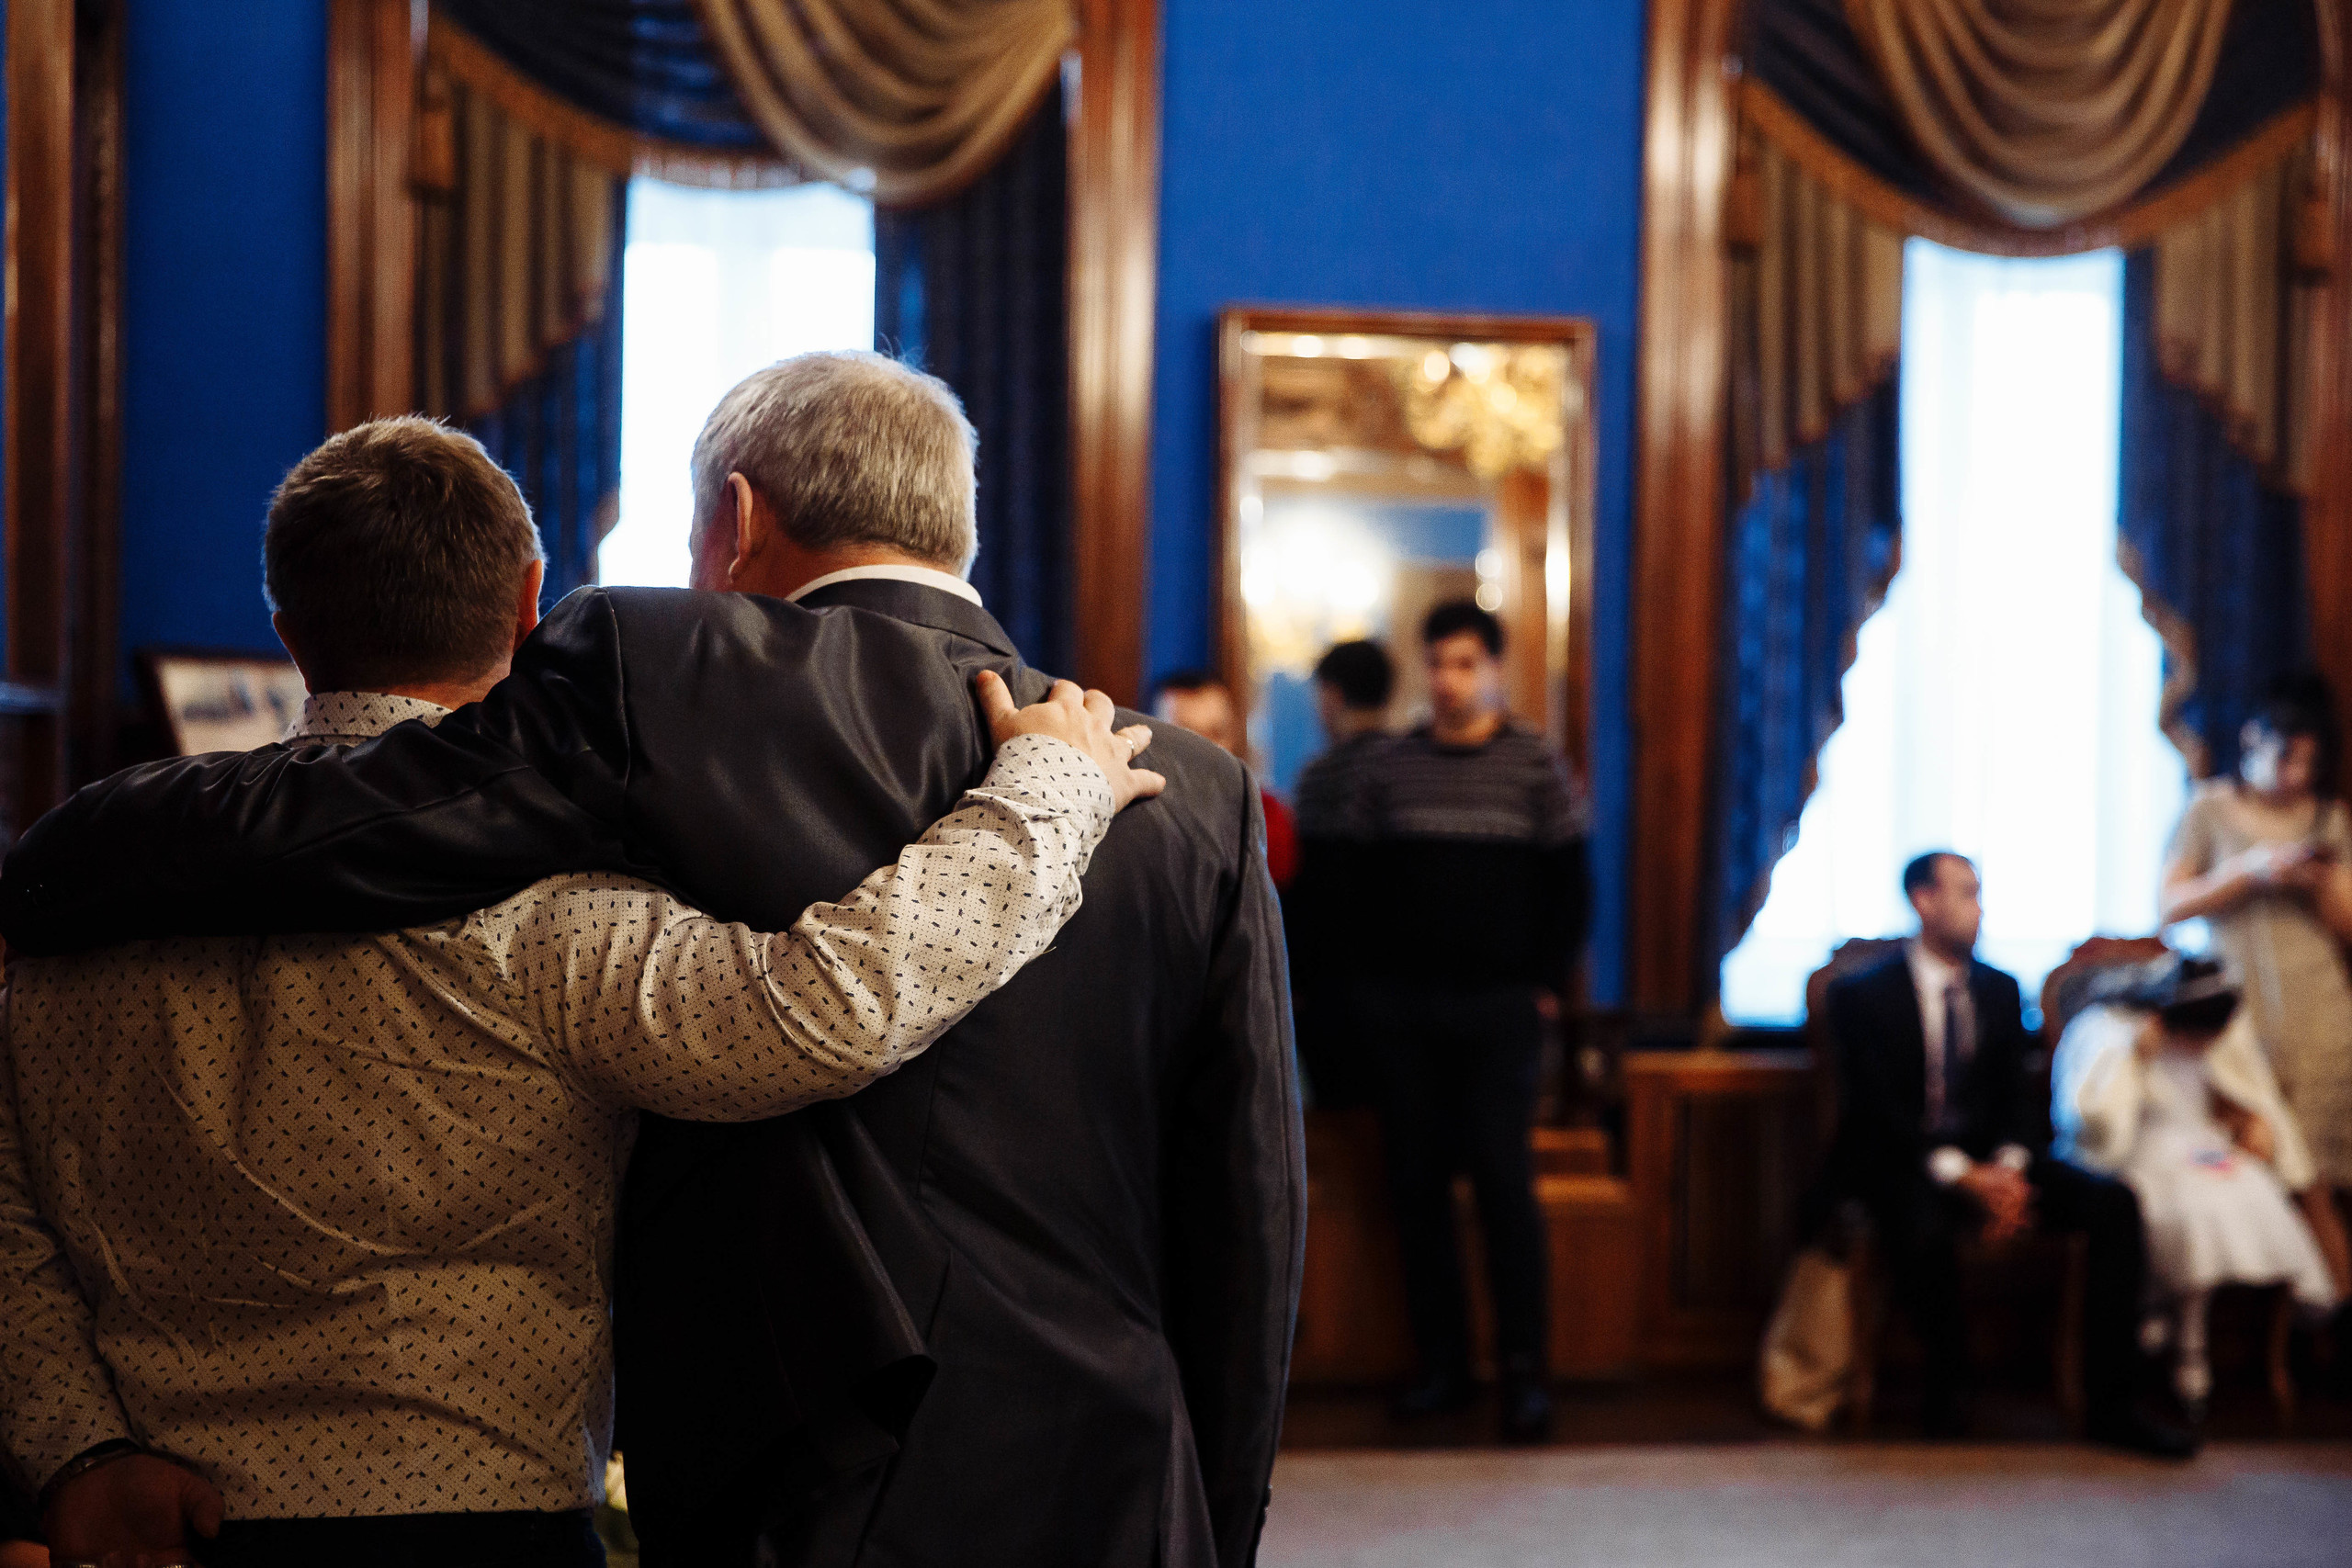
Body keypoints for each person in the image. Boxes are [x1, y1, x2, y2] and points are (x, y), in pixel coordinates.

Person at [1, 354, 1302, 1568]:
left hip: (778, 1461)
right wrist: (1215, 1504)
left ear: (734, 518)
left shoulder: (661, 680)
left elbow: (356, 820)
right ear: (521, 604)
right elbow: (1246, 1204)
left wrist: (62, 854)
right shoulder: (1193, 790)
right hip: (1118, 1460)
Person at [1825, 852, 2192, 1455]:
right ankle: (1950, 1386)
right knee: (1918, 1220)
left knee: (2115, 1204)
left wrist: (2009, 1169)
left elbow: (2018, 1099)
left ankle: (2114, 1403)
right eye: (1966, 892)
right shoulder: (1861, 996)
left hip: (1995, 1158)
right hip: (1904, 1163)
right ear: (1924, 900)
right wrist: (1963, 1176)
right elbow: (1873, 1113)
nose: (1979, 907)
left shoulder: (1999, 989)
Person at [1354, 602, 1589, 1442]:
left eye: (1465, 663)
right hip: (1406, 1014)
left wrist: (1544, 982)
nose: (1450, 680)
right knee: (1415, 1191)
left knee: (1502, 1185)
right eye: (1438, 663)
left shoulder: (1535, 763)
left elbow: (1572, 885)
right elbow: (1361, 893)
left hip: (1499, 1013)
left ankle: (1526, 1374)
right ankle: (1442, 1367)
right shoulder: (1391, 765)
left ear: (1492, 668)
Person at [2053, 957, 2339, 1418]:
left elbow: (2238, 1093)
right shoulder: (2112, 1030)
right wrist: (2134, 1058)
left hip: (2204, 1150)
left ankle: (2190, 1338)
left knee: (2247, 1198)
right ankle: (2182, 1343)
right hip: (2145, 1156)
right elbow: (2096, 1123)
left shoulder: (2219, 1039)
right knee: (2187, 1215)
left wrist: (2251, 1122)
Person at [2159, 674, 2352, 1298]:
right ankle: (2295, 1307)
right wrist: (2248, 871)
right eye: (2286, 757)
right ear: (2253, 742)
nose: (2295, 775)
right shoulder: (2209, 809)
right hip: (2238, 1010)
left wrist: (2316, 880)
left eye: (2308, 762)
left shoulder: (2329, 818)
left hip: (2318, 1006)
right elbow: (2169, 904)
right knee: (2266, 1155)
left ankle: (2325, 1312)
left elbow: (2347, 923)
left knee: (2321, 1164)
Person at [1284, 639, 1396, 1109]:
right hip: (1406, 987)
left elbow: (1313, 892)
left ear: (1329, 695)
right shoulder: (1410, 767)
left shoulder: (1321, 777)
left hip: (1338, 990)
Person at [1154, 668, 1299, 889]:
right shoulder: (1128, 818)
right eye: (1185, 735)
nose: (1207, 750)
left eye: (1215, 732)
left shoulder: (1266, 814)